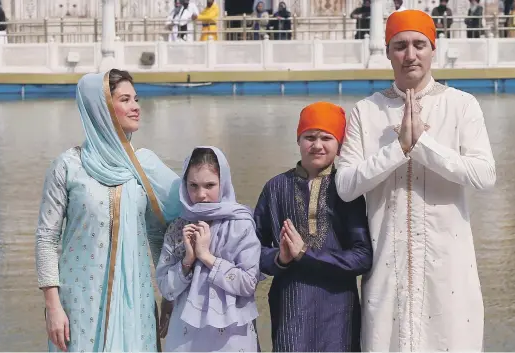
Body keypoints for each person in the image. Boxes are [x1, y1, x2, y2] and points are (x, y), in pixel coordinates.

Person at [336, 9, 496, 351]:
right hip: (387, 267)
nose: (410, 55)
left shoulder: (461, 105)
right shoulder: (367, 111)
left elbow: (484, 175)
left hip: (448, 268)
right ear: (388, 51)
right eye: (400, 46)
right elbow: (346, 185)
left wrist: (423, 147)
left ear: (433, 49)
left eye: (419, 45)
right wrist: (397, 150)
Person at [35, 69, 182, 352]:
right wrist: (52, 306)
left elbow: (159, 233)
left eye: (136, 99)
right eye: (125, 99)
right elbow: (46, 239)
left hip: (135, 303)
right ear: (101, 107)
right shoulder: (68, 166)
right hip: (80, 305)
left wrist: (170, 295)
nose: (136, 107)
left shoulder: (144, 167)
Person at [254, 102, 373, 352]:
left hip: (339, 310)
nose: (317, 145)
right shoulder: (275, 188)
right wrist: (280, 258)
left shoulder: (346, 189)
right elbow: (252, 250)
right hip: (291, 306)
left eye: (326, 138)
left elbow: (362, 257)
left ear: (339, 144)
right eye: (310, 137)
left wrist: (306, 254)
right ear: (298, 140)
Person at [156, 146, 261, 352]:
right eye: (193, 185)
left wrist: (206, 257)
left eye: (209, 185)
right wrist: (187, 261)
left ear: (224, 184)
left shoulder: (240, 224)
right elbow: (166, 289)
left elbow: (248, 283)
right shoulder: (179, 227)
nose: (200, 194)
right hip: (185, 335)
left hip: (231, 336)